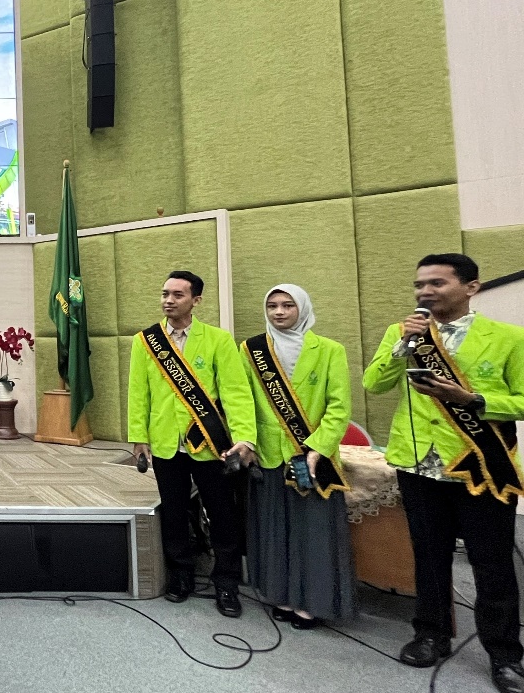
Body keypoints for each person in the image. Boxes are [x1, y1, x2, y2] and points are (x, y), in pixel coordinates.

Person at [363, 253, 524, 693]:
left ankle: (504, 655)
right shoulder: (403, 333)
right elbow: (373, 384)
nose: (425, 292)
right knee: (428, 557)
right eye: (419, 284)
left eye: (437, 283)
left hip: (480, 469)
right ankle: (431, 635)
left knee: (492, 564)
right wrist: (400, 347)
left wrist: (474, 398)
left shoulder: (511, 339)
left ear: (471, 287)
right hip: (417, 466)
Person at [127, 270, 256, 616]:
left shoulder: (217, 340)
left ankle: (226, 583)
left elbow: (236, 393)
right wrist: (138, 437)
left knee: (221, 513)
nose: (168, 300)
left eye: (178, 295)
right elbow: (138, 393)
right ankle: (181, 574)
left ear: (196, 301)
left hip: (210, 445)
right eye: (165, 293)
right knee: (173, 511)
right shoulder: (146, 341)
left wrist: (244, 437)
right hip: (166, 443)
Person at [240, 284, 356, 630]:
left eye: (287, 305)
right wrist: (247, 441)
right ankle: (282, 595)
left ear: (302, 308)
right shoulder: (251, 350)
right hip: (269, 456)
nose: (279, 312)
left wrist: (317, 448)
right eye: (272, 305)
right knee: (275, 529)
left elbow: (339, 407)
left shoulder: (330, 350)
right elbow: (242, 401)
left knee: (314, 532)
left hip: (313, 458)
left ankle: (313, 602)